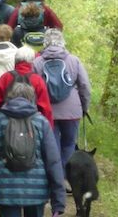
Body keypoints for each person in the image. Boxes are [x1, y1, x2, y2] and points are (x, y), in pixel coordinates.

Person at [0, 81, 66, 217]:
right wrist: (59, 199)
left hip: (6, 189)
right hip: (37, 190)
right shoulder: (41, 122)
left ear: (8, 98)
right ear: (32, 100)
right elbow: (53, 161)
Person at [32, 29, 91, 175]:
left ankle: (54, 176)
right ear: (62, 42)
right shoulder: (73, 60)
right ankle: (65, 177)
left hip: (47, 111)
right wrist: (84, 106)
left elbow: (32, 87)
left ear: (45, 42)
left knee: (52, 145)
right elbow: (85, 86)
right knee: (69, 144)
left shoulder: (37, 62)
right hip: (72, 111)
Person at [0, 46, 54, 128]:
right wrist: (48, 130)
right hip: (32, 127)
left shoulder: (5, 78)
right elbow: (45, 108)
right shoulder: (37, 80)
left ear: (15, 60)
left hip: (7, 126)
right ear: (32, 61)